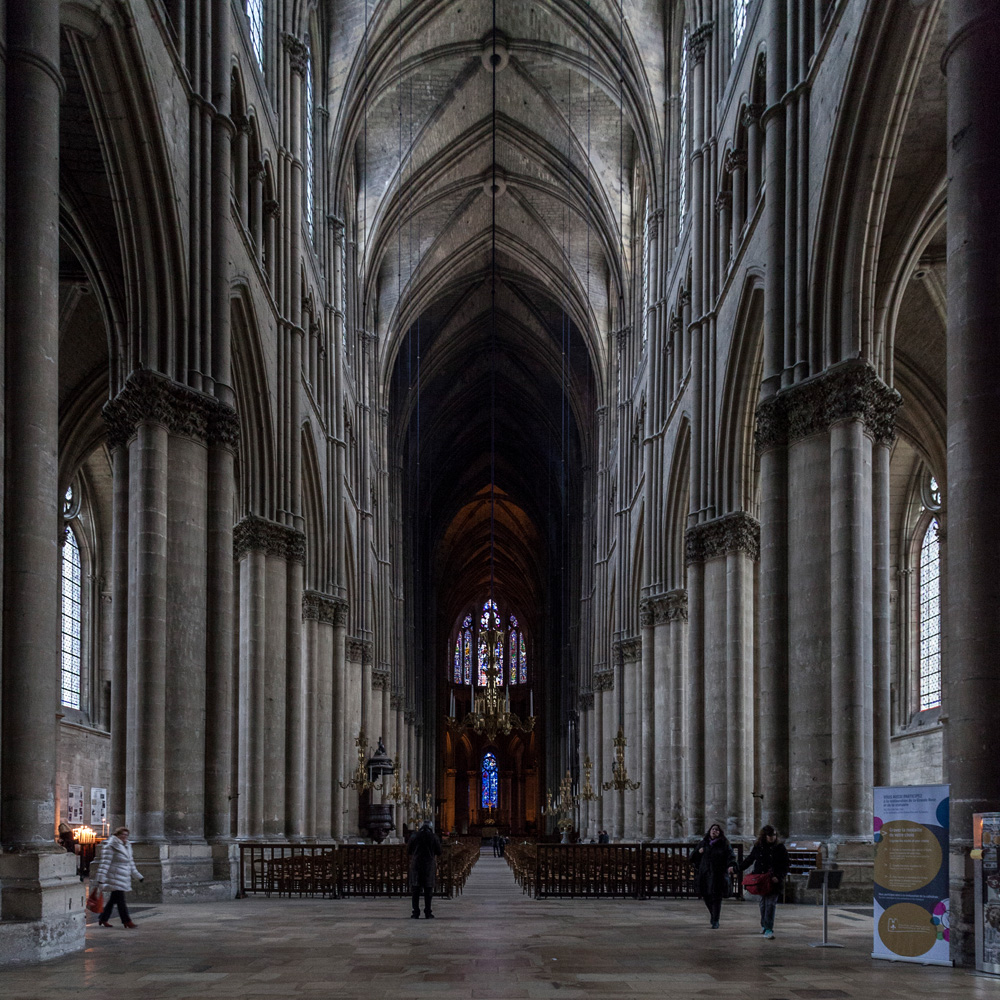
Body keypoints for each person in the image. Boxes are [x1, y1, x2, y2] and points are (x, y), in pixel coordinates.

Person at [738, 824, 790, 939]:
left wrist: (779, 876)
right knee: (763, 904)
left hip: (774, 880)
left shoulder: (780, 848)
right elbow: (750, 860)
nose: (772, 837)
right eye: (770, 835)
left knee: (770, 904)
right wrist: (738, 868)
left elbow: (785, 864)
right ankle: (764, 924)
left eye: (774, 835)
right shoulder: (758, 847)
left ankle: (768, 928)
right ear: (764, 836)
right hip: (761, 880)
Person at [93, 826, 144, 928]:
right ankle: (127, 921)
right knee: (121, 901)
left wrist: (138, 876)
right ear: (117, 835)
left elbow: (130, 863)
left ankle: (103, 918)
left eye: (126, 835)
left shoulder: (127, 846)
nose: (124, 837)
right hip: (114, 877)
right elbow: (105, 863)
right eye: (122, 834)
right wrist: (101, 879)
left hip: (123, 877)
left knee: (113, 900)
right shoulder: (111, 845)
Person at [690, 822, 737, 928]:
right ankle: (713, 915)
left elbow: (731, 856)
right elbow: (692, 857)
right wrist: (699, 852)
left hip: (718, 874)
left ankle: (715, 920)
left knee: (716, 897)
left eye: (717, 830)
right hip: (705, 874)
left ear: (720, 833)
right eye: (713, 829)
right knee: (706, 896)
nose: (714, 831)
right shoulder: (703, 843)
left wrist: (731, 866)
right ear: (709, 831)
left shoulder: (724, 844)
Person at [407, 819, 442, 918]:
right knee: (428, 889)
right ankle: (428, 912)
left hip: (416, 864)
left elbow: (409, 850)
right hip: (428, 864)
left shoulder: (414, 836)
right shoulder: (433, 836)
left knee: (415, 889)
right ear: (430, 827)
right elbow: (439, 851)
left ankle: (415, 912)